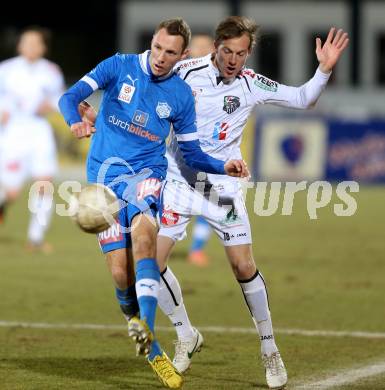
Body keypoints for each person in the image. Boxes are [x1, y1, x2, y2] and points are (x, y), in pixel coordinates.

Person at [155, 16, 349, 389]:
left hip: (223, 185)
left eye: (240, 53)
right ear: (215, 46)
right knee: (151, 262)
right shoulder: (185, 72)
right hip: (178, 179)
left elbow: (303, 98)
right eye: (227, 51)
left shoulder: (251, 84)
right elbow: (149, 86)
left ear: (249, 53)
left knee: (243, 265)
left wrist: (323, 69)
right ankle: (185, 334)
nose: (233, 60)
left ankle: (269, 348)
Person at [58, 18, 248, 390]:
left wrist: (221, 165)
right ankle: (152, 348)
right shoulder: (118, 66)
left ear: (183, 56)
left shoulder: (179, 95)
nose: (161, 57)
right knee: (119, 274)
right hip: (105, 180)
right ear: (152, 42)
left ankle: (145, 325)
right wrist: (74, 122)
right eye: (158, 48)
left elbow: (191, 152)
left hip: (147, 176)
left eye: (171, 53)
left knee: (145, 241)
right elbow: (69, 97)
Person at [0, 27, 64, 251]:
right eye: (27, 42)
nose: (31, 47)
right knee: (10, 191)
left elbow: (60, 99)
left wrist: (52, 105)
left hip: (39, 132)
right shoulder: (6, 70)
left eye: (36, 43)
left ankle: (35, 238)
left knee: (44, 184)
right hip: (13, 134)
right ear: (19, 45)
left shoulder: (51, 71)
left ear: (43, 47)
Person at [186, 34, 216, 267]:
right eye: (199, 47)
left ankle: (196, 250)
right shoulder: (178, 76)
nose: (203, 50)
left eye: (208, 47)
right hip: (179, 151)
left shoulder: (223, 78)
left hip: (210, 152)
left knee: (210, 202)